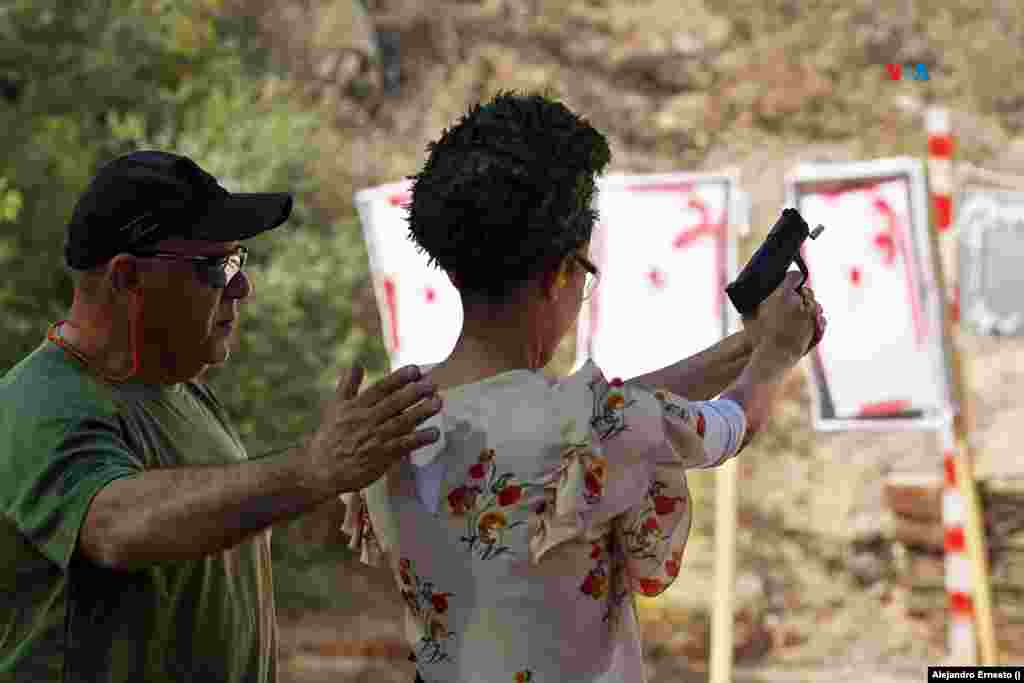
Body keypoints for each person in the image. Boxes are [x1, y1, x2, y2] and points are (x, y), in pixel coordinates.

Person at [340, 91, 827, 683]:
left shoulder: (394, 415)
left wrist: (746, 346)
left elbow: (616, 411)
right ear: (560, 274)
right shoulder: (591, 422)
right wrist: (776, 358)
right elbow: (728, 425)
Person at [0, 150, 444, 682]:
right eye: (215, 267)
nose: (241, 288)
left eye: (239, 262)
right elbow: (115, 527)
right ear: (126, 278)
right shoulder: (40, 402)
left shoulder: (184, 392)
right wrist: (313, 467)